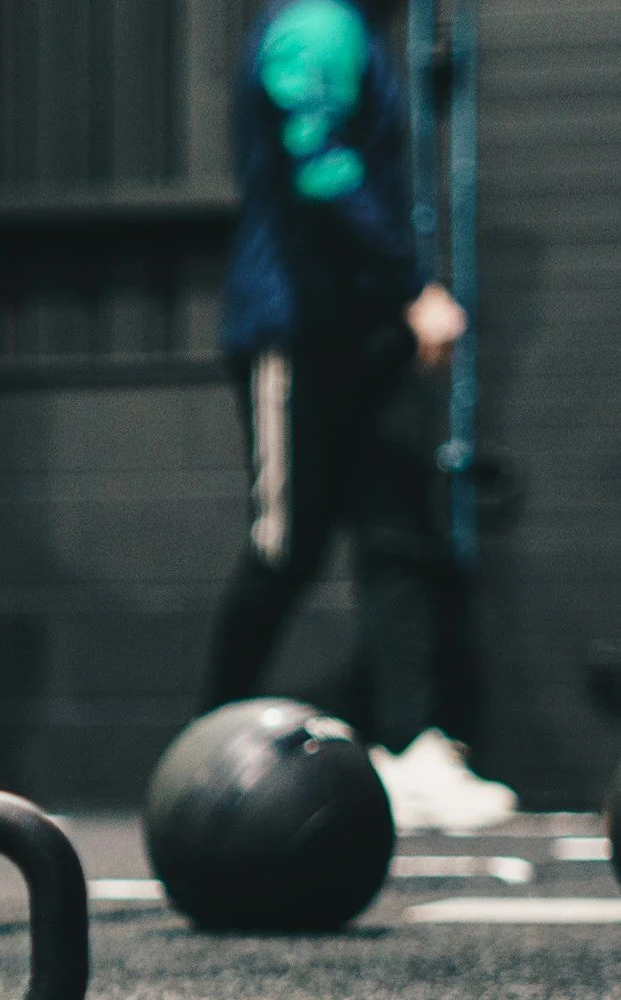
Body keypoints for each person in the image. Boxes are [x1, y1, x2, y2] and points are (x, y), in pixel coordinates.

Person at [205, 0, 516, 832]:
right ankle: (203, 751)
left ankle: (411, 746)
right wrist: (412, 287)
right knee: (286, 548)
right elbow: (320, 168)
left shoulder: (352, 33)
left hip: (361, 334)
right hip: (299, 334)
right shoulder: (315, 27)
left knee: (398, 539)